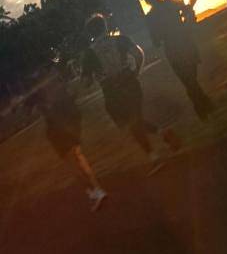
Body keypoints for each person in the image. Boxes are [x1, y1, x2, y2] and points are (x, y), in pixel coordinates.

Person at [81, 13, 180, 173]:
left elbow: (86, 82)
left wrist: (90, 77)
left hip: (112, 92)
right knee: (136, 120)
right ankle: (161, 135)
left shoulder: (89, 54)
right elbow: (138, 53)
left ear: (90, 33)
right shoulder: (121, 39)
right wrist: (136, 71)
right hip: (130, 82)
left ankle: (154, 157)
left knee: (131, 124)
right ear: (105, 26)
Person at [24, 61, 107, 211]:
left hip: (57, 126)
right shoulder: (54, 76)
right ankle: (95, 190)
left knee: (72, 162)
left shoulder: (35, 87)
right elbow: (71, 93)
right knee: (77, 156)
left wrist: (36, 106)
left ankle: (94, 192)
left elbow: (29, 112)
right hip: (71, 118)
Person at [143, 0, 214, 121]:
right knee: (191, 79)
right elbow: (188, 11)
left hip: (172, 49)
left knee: (188, 81)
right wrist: (186, 24)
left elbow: (156, 41)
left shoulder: (150, 17)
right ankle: (203, 105)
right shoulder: (171, 4)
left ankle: (202, 106)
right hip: (185, 42)